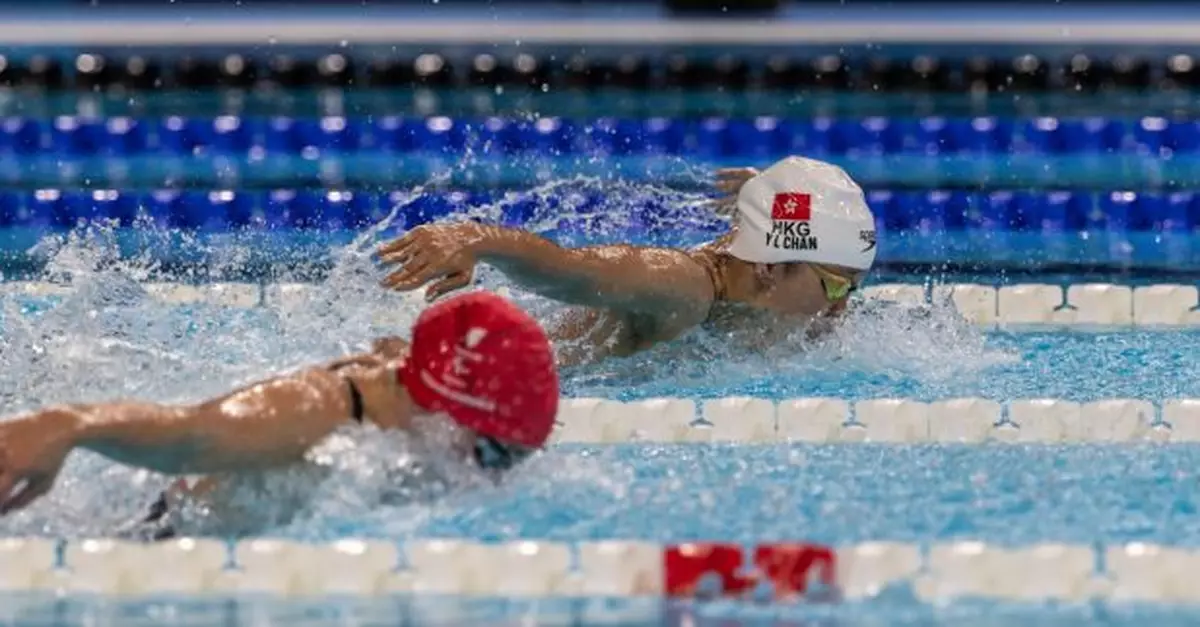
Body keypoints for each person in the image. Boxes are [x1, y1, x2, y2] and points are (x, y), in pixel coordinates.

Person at [0, 291, 559, 526]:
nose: (489, 474)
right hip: (157, 546)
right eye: (492, 452)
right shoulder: (313, 409)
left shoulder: (403, 395)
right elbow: (191, 437)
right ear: (442, 406)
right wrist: (65, 426)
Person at [377, 156, 878, 362]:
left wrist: (762, 196)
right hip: (487, 368)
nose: (841, 309)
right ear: (769, 267)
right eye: (837, 287)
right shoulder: (681, 288)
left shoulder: (765, 280)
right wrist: (477, 239)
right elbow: (570, 271)